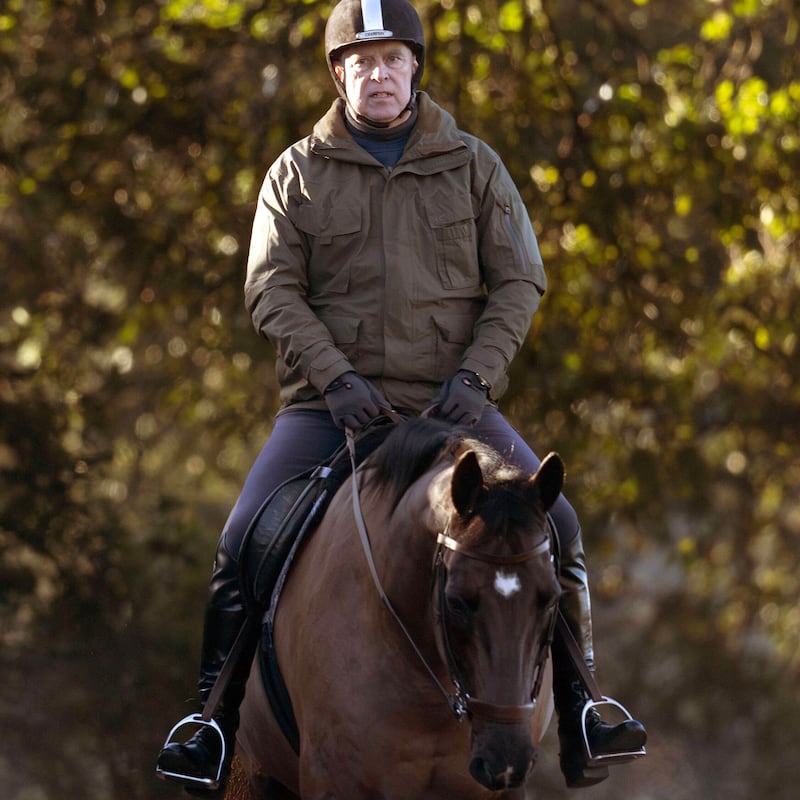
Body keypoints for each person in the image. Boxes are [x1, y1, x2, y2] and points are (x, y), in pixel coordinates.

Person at [156, 0, 647, 794]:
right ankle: (209, 723)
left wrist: (475, 378)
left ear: (415, 68)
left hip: (452, 406)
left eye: (392, 59)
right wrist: (337, 380)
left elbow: (520, 280)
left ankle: (587, 707)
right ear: (338, 73)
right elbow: (271, 290)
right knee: (243, 534)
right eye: (361, 60)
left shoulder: (475, 164)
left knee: (559, 522)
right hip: (329, 410)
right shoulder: (296, 172)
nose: (377, 74)